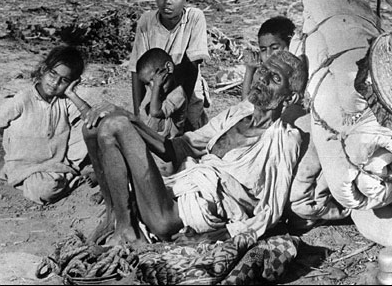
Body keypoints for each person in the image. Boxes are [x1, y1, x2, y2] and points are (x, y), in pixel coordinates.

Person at [84, 50, 308, 246]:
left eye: (274, 78)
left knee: (116, 125)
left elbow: (272, 210)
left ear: (289, 98)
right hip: (176, 189)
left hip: (180, 215)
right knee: (93, 129)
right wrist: (131, 118)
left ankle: (128, 231)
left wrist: (216, 236)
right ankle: (116, 217)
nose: (262, 78)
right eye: (263, 70)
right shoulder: (237, 114)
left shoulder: (285, 139)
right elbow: (179, 147)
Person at [0, 45, 91, 204]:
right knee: (42, 190)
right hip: (26, 168)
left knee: (91, 126)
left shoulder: (64, 102)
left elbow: (91, 117)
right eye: (53, 74)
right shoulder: (23, 99)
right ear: (43, 70)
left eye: (64, 80)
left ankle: (70, 172)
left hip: (58, 163)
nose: (55, 82)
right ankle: (75, 176)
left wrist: (71, 93)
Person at [128, 0, 209, 132]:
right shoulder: (146, 21)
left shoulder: (195, 17)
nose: (167, 2)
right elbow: (137, 69)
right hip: (156, 84)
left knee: (191, 132)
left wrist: (182, 108)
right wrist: (137, 113)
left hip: (187, 87)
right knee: (150, 127)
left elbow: (192, 65)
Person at [136, 47, 188, 176]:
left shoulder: (178, 95)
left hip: (166, 151)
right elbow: (143, 116)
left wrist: (157, 87)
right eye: (147, 84)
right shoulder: (153, 89)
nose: (151, 87)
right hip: (148, 146)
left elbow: (155, 112)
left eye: (154, 81)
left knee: (163, 174)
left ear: (169, 68)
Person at [241, 16, 295, 100]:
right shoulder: (265, 74)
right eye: (263, 49)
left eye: (275, 48)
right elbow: (245, 105)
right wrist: (250, 69)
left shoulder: (296, 74)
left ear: (289, 46)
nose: (268, 54)